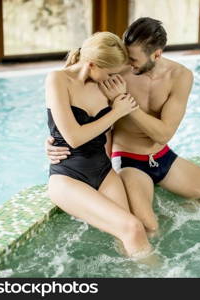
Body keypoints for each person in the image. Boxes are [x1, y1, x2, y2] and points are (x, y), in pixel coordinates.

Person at [46, 18, 200, 237]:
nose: (127, 65)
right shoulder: (114, 73)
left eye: (133, 59)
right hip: (128, 161)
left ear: (156, 54)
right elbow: (72, 108)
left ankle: (173, 218)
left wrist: (125, 104)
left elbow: (164, 133)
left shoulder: (180, 76)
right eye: (125, 57)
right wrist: (54, 142)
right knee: (149, 228)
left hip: (162, 156)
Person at [45, 31, 153, 259]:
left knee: (133, 233)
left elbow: (107, 136)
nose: (113, 78)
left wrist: (117, 104)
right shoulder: (57, 79)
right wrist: (116, 112)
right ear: (92, 64)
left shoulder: (104, 85)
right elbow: (74, 137)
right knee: (132, 228)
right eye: (110, 72)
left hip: (103, 171)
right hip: (68, 176)